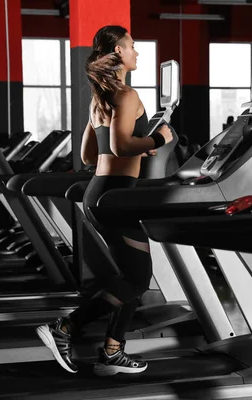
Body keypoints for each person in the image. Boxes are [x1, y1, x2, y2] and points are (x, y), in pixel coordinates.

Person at [36, 25, 173, 377]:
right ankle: (66, 328)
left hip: (100, 192)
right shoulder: (127, 95)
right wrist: (157, 137)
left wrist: (137, 144)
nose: (137, 52)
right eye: (131, 46)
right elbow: (120, 146)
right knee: (138, 281)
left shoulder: (101, 98)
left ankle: (112, 351)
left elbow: (85, 155)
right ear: (117, 54)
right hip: (116, 195)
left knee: (130, 278)